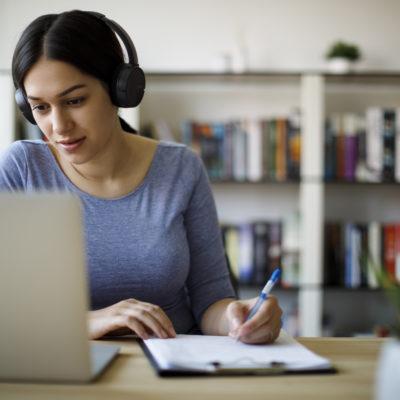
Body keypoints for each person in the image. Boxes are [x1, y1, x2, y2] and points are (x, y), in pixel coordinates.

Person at [0, 10, 282, 343]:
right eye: (41, 108)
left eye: (74, 100)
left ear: (121, 89)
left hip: (171, 367)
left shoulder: (181, 168)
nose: (58, 127)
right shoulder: (22, 170)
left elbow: (212, 299)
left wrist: (237, 317)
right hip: (63, 371)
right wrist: (87, 322)